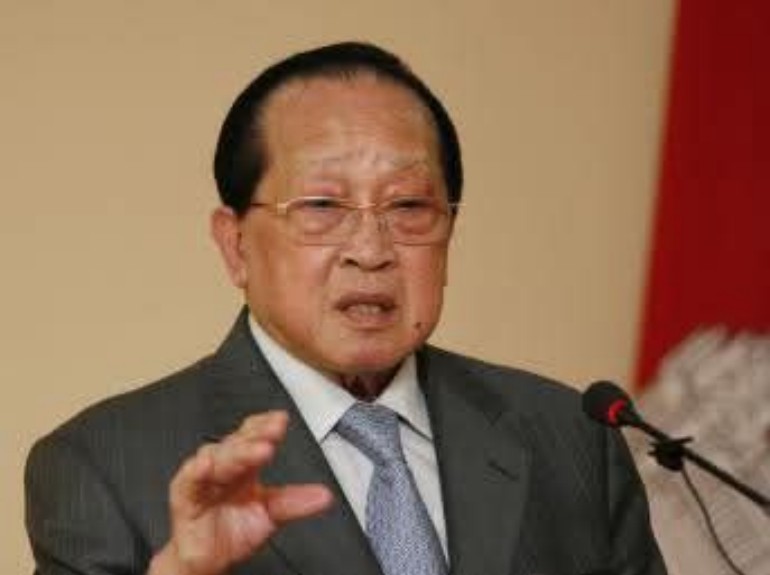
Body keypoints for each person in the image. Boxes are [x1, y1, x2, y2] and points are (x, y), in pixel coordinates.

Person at [25, 42, 667, 575]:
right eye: (322, 207)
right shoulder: (101, 466)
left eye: (409, 206)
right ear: (235, 244)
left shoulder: (570, 437)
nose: (371, 249)